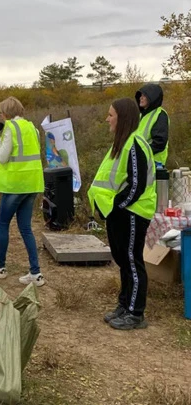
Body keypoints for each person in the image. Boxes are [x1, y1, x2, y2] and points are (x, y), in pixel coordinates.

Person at [88, 98, 156, 330]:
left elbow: (136, 185)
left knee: (132, 261)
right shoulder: (121, 143)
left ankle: (135, 313)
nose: (107, 119)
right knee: (122, 260)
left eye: (110, 115)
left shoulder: (135, 144)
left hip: (133, 212)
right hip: (120, 213)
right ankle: (124, 304)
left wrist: (118, 207)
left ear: (123, 117)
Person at [0, 97, 45, 287]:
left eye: (0, 112)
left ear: (6, 113)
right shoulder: (33, 128)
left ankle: (0, 267)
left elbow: (3, 158)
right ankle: (35, 273)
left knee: (3, 223)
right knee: (26, 227)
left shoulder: (9, 128)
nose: (0, 116)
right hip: (32, 184)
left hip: (15, 185)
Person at [135, 84, 169, 167]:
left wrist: (139, 153)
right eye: (140, 95)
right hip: (142, 162)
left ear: (152, 97)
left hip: (155, 163)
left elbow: (159, 143)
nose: (141, 98)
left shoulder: (160, 114)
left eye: (144, 95)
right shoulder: (141, 115)